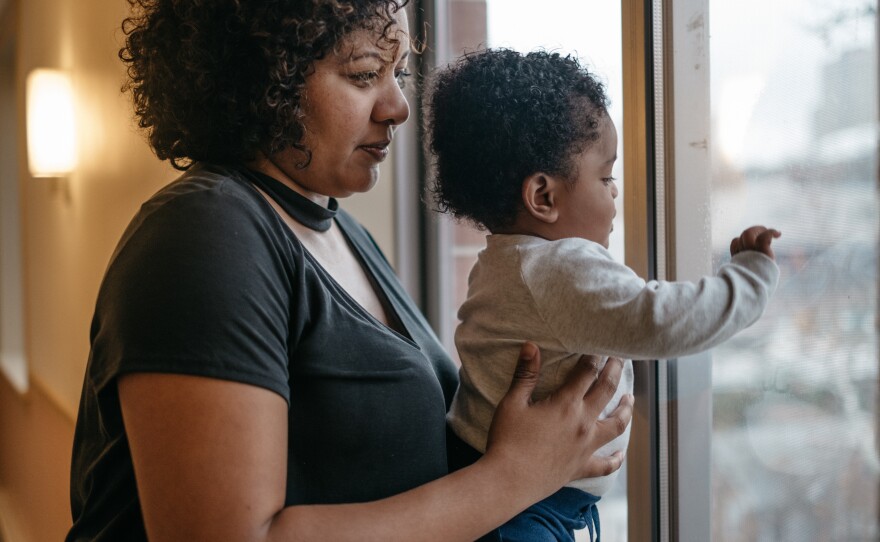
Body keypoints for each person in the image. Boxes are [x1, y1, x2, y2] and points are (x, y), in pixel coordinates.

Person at [65, 3, 635, 541]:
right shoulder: (204, 234)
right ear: (267, 79)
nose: (398, 107)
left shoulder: (338, 230)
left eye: (399, 72)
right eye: (364, 75)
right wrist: (513, 479)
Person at [425, 48, 781, 542]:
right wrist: (750, 280)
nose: (615, 193)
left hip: (500, 485)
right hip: (527, 513)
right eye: (606, 175)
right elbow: (661, 320)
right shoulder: (561, 267)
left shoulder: (503, 261)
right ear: (544, 197)